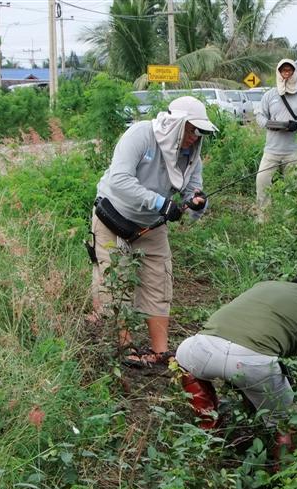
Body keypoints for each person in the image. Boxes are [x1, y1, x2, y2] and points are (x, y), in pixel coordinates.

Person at [90, 96, 215, 368]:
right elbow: (120, 180)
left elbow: (194, 190)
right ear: (175, 123)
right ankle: (124, 347)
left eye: (200, 132)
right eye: (192, 129)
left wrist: (197, 204)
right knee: (114, 280)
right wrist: (161, 203)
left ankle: (160, 351)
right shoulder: (140, 135)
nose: (195, 137)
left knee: (159, 281)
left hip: (151, 225)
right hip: (114, 217)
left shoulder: (192, 157)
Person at [175, 268, 297, 449]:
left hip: (203, 349)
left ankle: (207, 431)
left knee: (184, 357)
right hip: (252, 364)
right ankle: (285, 472)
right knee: (286, 424)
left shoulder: (264, 286)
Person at [255, 59, 297, 216]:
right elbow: (260, 115)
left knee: (293, 187)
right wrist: (268, 124)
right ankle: (264, 218)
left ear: (295, 73)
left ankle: (289, 220)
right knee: (262, 181)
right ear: (279, 73)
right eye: (284, 71)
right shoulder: (270, 95)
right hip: (272, 150)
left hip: (293, 151)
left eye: (290, 71)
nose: (287, 74)